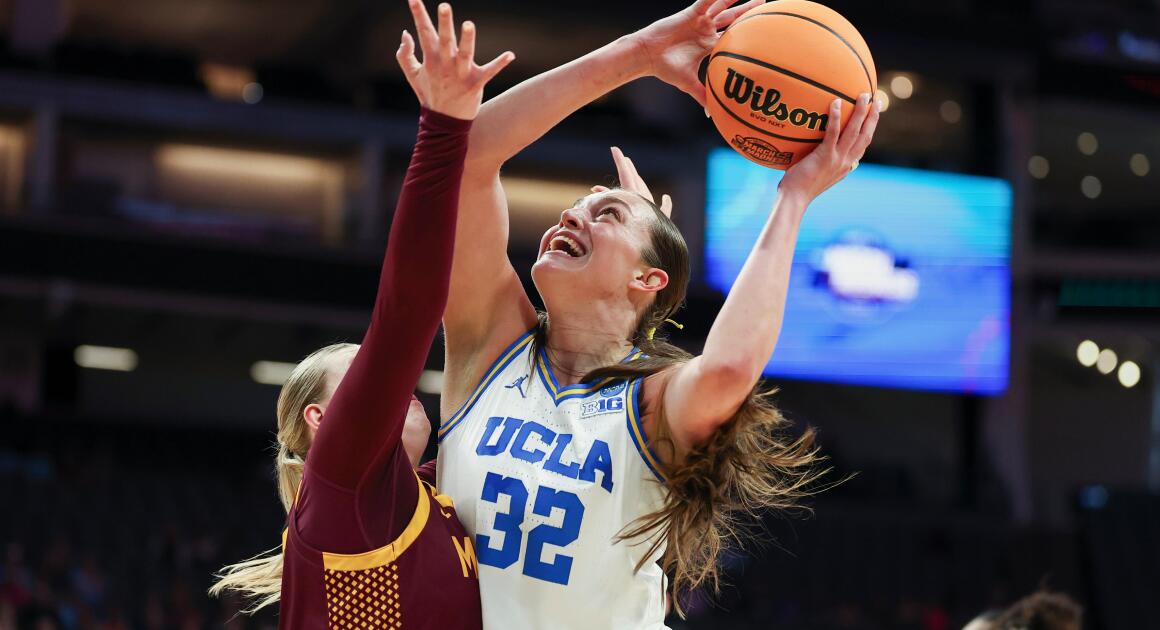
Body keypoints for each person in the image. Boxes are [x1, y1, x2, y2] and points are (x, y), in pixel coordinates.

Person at [431, 0, 881, 627]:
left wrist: (795, 195)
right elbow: (467, 157)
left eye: (606, 214)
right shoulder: (488, 345)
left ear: (648, 279)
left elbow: (728, 368)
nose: (570, 216)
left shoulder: (651, 403)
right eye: (576, 209)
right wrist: (637, 54)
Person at [208, 2, 513, 627]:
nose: (392, 384)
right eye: (362, 378)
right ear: (323, 421)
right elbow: (405, 319)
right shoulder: (343, 487)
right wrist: (442, 128)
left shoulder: (433, 495)